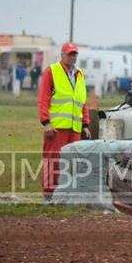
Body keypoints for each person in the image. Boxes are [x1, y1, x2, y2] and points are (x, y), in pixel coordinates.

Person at [37, 42, 91, 202]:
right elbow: (43, 99)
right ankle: (49, 195)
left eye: (74, 54)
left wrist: (86, 124)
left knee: (72, 163)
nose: (72, 57)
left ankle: (67, 195)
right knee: (53, 161)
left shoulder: (79, 74)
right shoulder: (52, 71)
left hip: (75, 128)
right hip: (57, 127)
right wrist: (46, 122)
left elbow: (83, 101)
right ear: (62, 55)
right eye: (69, 54)